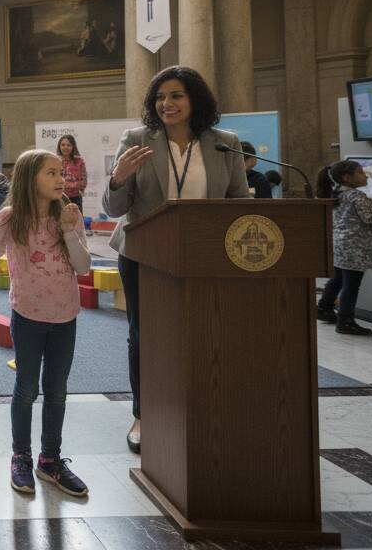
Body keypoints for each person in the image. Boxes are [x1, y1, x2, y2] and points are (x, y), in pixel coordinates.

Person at [102, 65, 251, 454]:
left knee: (206, 333)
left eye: (176, 95)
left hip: (207, 255)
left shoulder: (224, 143)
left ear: (195, 100)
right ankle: (143, 414)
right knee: (144, 336)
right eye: (160, 97)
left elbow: (240, 202)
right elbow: (115, 206)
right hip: (144, 254)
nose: (166, 104)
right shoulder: (137, 139)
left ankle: (204, 408)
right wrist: (117, 177)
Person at [0, 148, 91, 498]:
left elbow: (83, 267)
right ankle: (20, 456)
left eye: (60, 172)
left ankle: (50, 460)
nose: (59, 178)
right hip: (28, 317)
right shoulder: (10, 217)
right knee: (26, 390)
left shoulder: (68, 214)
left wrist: (68, 230)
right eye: (50, 173)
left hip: (66, 316)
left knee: (57, 391)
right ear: (28, 177)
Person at [316, 160, 372, 336]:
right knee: (351, 285)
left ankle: (324, 308)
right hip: (355, 247)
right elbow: (370, 218)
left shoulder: (338, 194)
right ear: (348, 178)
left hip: (341, 245)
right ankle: (345, 321)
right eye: (361, 172)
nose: (366, 175)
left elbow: (359, 212)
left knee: (338, 278)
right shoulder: (357, 196)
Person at [57, 135, 87, 210]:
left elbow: (83, 183)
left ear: (73, 146)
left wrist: (66, 184)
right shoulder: (55, 161)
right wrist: (75, 184)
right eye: (63, 145)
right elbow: (54, 181)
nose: (65, 147)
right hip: (59, 198)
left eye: (68, 145)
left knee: (77, 221)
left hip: (75, 198)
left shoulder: (79, 161)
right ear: (59, 146)